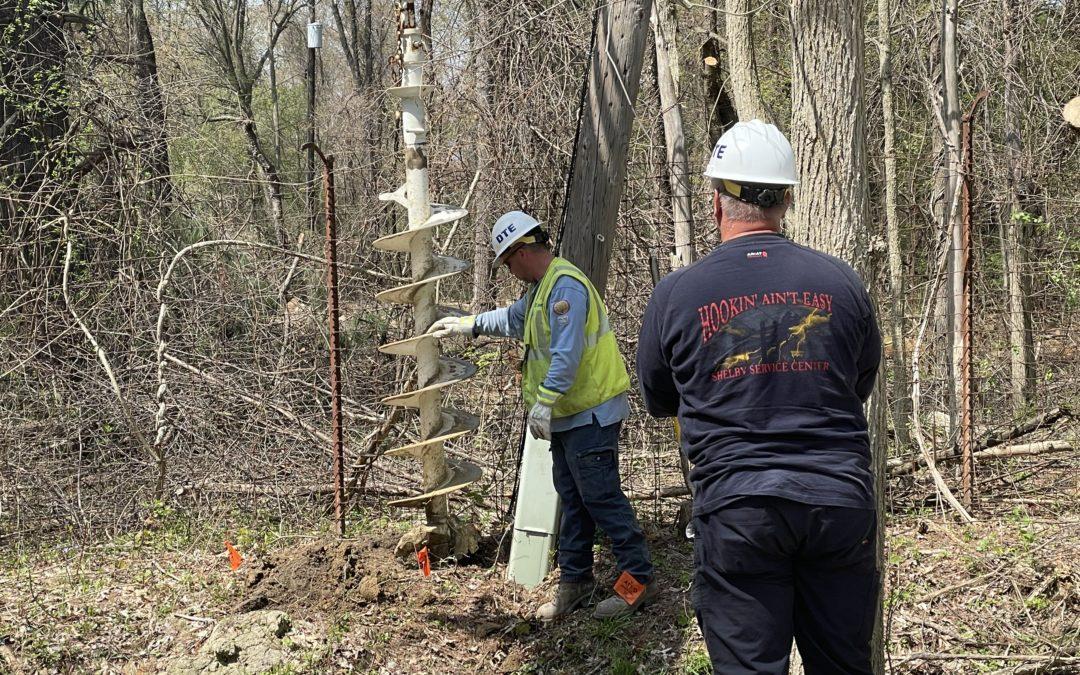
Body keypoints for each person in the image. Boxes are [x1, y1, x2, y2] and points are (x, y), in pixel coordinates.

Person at [636, 120, 882, 674]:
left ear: (717, 200)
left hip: (738, 509)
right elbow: (857, 383)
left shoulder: (678, 294)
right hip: (837, 503)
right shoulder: (842, 283)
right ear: (786, 200)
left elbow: (658, 396)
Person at [429, 211, 656, 621]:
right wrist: (469, 325)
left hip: (590, 413)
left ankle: (636, 583)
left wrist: (544, 401)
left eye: (508, 262)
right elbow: (514, 320)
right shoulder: (539, 290)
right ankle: (576, 582)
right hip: (570, 416)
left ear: (522, 252)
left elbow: (567, 357)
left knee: (601, 499)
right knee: (573, 499)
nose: (509, 270)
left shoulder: (564, 288)